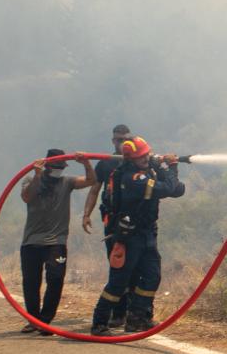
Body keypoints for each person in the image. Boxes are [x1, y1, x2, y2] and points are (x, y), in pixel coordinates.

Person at [90, 136, 185, 336]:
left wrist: (161, 166)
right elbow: (167, 187)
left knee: (152, 276)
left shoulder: (146, 171)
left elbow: (177, 190)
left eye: (147, 154)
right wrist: (170, 167)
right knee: (119, 281)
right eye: (141, 156)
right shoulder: (133, 179)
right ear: (131, 159)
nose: (146, 158)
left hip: (148, 233)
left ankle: (137, 318)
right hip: (129, 236)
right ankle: (99, 323)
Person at [19, 148, 95, 335]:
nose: (58, 170)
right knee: (31, 282)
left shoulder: (66, 181)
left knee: (55, 279)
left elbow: (91, 181)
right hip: (31, 241)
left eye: (61, 167)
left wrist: (86, 163)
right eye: (55, 167)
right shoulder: (30, 180)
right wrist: (37, 176)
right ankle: (34, 319)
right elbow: (27, 197)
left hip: (56, 241)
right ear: (46, 165)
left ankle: (45, 321)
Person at [82, 123, 136, 328]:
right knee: (118, 267)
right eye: (117, 139)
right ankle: (118, 313)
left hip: (136, 225)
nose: (121, 143)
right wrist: (86, 214)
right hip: (113, 225)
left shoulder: (139, 160)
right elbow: (95, 190)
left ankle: (137, 314)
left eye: (125, 139)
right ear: (112, 141)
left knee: (138, 269)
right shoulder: (105, 164)